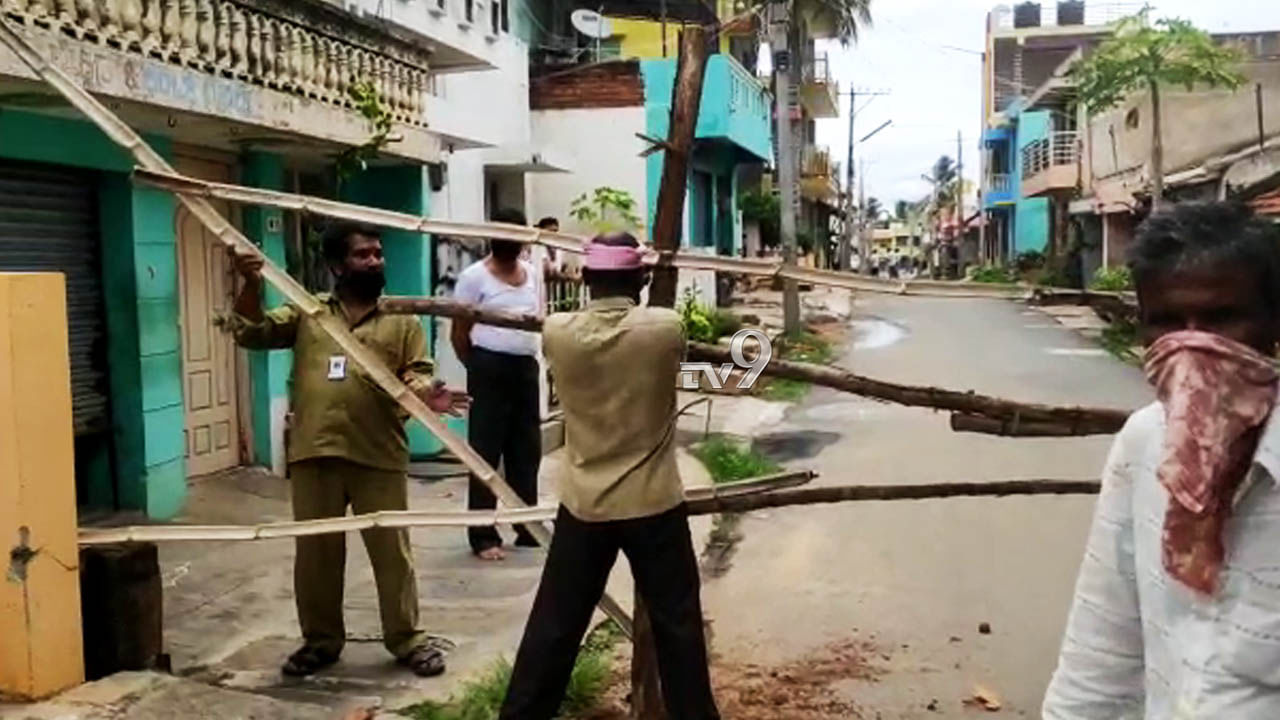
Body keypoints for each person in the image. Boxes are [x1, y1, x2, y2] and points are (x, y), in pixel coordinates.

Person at [1043, 201, 1280, 719]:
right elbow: (1100, 654)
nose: (1194, 346)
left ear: (1271, 324)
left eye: (1222, 318)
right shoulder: (1142, 445)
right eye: (1169, 322)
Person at [229, 221, 470, 678]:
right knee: (317, 554)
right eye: (363, 255)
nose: (375, 260)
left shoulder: (401, 317)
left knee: (391, 551)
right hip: (315, 452)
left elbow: (416, 373)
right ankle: (320, 641)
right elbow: (252, 332)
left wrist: (426, 394)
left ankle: (407, 638)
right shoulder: (309, 312)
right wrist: (251, 282)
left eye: (378, 253)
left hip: (376, 451)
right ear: (337, 264)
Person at [499, 232, 720, 720]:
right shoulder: (665, 329)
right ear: (640, 279)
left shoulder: (558, 331)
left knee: (555, 628)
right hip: (654, 503)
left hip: (586, 503)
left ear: (586, 279)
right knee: (678, 629)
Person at [452, 208, 545, 561]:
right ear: (491, 237)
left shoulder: (533, 274)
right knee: (485, 450)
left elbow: (539, 318)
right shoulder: (474, 277)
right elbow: (459, 332)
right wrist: (477, 367)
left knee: (527, 450)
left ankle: (527, 525)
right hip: (488, 368)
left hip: (525, 369)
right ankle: (483, 533)